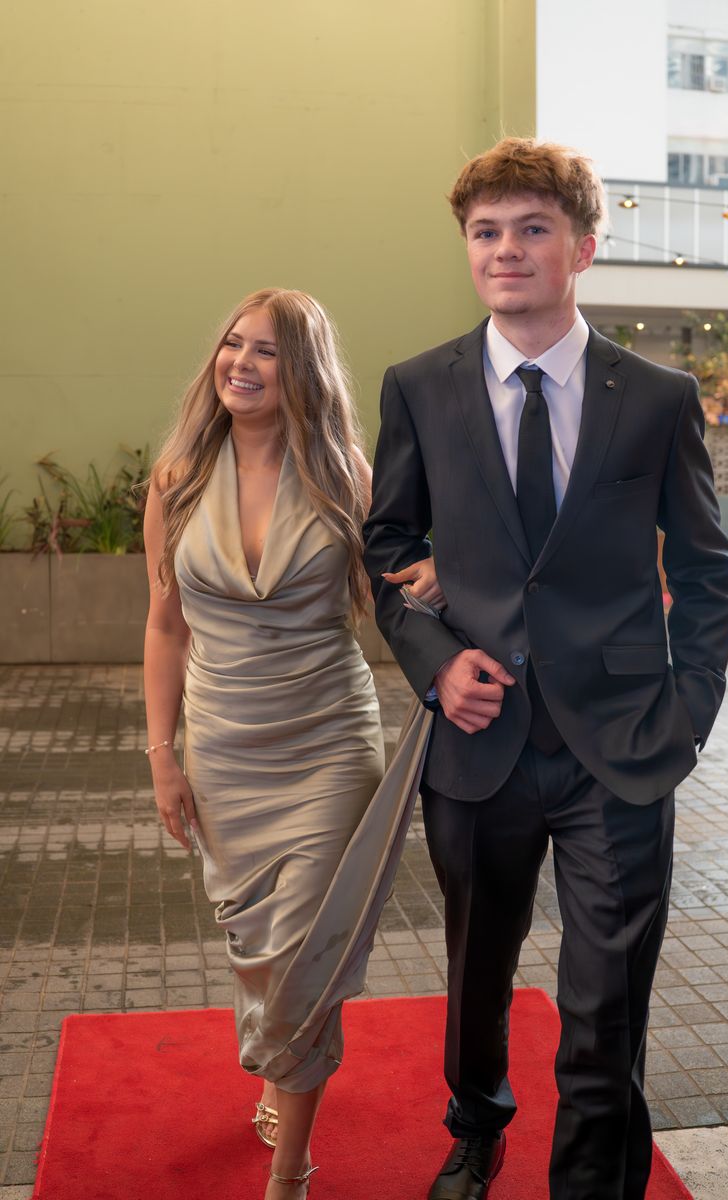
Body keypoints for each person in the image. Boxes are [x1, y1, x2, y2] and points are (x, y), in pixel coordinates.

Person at [363, 138, 728, 1200]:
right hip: (477, 745)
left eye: (532, 229)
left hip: (618, 748)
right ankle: (476, 1128)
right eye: (485, 232)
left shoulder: (656, 397)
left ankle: (590, 1183)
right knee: (475, 972)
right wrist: (435, 665)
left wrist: (687, 720)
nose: (506, 250)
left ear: (582, 246)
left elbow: (705, 573)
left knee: (606, 1000)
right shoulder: (420, 387)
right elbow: (386, 549)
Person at [142, 288, 441, 1199]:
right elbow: (164, 625)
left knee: (310, 950)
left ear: (301, 370)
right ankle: (285, 1063)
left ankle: (290, 1172)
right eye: (233, 344)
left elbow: (390, 596)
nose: (241, 363)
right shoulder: (176, 479)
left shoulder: (346, 477)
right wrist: (162, 755)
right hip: (225, 746)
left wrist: (444, 584)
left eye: (266, 350)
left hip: (328, 744)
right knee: (261, 949)